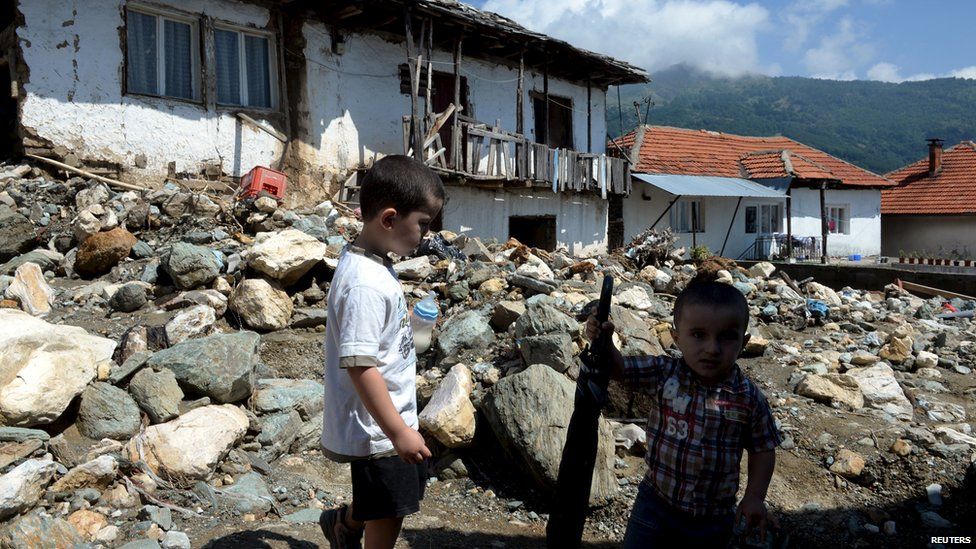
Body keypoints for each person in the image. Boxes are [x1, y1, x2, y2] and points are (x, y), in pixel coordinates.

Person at [585, 280, 780, 547]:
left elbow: (763, 448)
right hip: (655, 505)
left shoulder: (748, 398)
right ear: (677, 337)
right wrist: (605, 342)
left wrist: (755, 496)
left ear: (744, 342)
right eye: (699, 335)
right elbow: (620, 369)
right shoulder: (664, 373)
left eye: (726, 336)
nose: (712, 348)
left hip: (714, 517)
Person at [319, 155, 445, 549]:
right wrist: (398, 433)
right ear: (389, 219)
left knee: (386, 496)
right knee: (390, 510)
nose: (426, 235)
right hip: (381, 429)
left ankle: (343, 522)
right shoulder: (365, 284)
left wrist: (405, 319)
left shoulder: (373, 261)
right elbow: (360, 366)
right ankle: (350, 527)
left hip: (390, 420)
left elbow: (372, 334)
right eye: (423, 224)